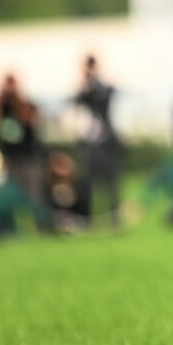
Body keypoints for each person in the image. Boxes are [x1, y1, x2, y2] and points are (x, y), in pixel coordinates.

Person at [73, 55, 123, 226]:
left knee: (112, 182)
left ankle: (114, 218)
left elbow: (108, 95)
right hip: (89, 142)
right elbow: (77, 103)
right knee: (87, 182)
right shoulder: (83, 91)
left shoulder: (103, 89)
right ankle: (87, 218)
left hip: (105, 142)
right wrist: (85, 85)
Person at [0, 73, 43, 206]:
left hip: (27, 156)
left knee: (33, 191)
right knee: (9, 191)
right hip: (8, 156)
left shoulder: (25, 104)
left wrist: (16, 104)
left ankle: (37, 219)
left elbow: (31, 118)